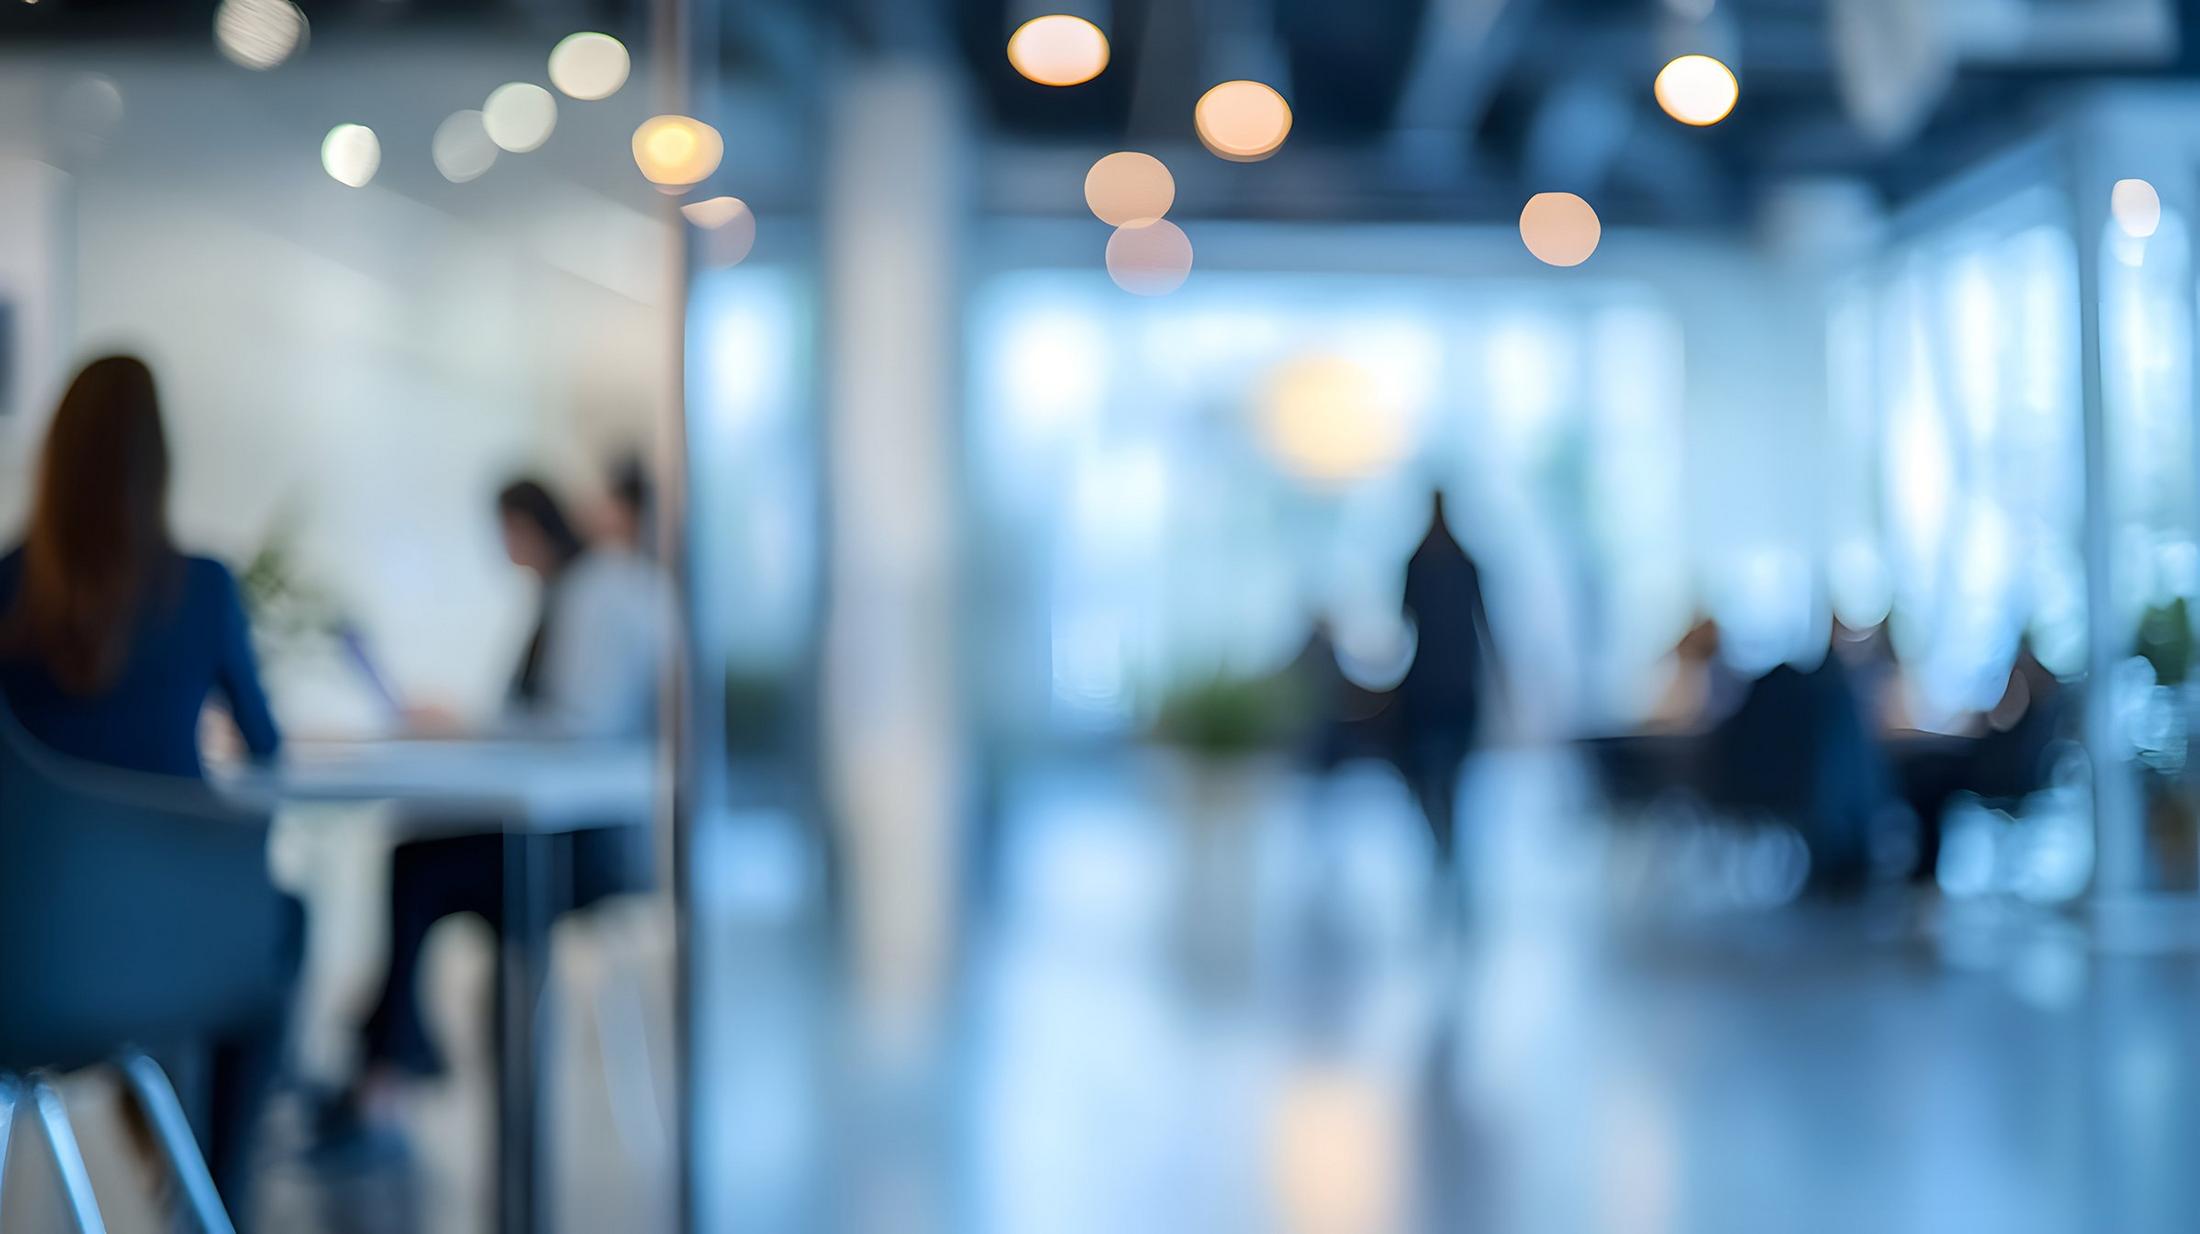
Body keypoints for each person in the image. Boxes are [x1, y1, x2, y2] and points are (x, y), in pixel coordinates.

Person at [0, 354, 292, 1224]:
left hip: (22, 958)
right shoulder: (202, 587)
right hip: (174, 948)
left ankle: (171, 1147)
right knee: (282, 933)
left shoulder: (4, 585)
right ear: (160, 463)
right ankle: (213, 1195)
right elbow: (266, 746)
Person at [346, 471, 669, 1109]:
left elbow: (577, 726)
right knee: (415, 853)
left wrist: (466, 727)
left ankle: (394, 1057)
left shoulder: (595, 593)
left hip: (585, 842)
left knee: (416, 865)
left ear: (526, 525)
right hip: (564, 825)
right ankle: (393, 1052)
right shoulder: (568, 594)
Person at [1395, 491, 1502, 875]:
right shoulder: (1432, 563)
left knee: (1440, 775)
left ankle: (1446, 841)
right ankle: (1445, 840)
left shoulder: (1426, 563)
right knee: (1439, 774)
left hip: (1438, 688)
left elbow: (1405, 621)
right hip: (1443, 688)